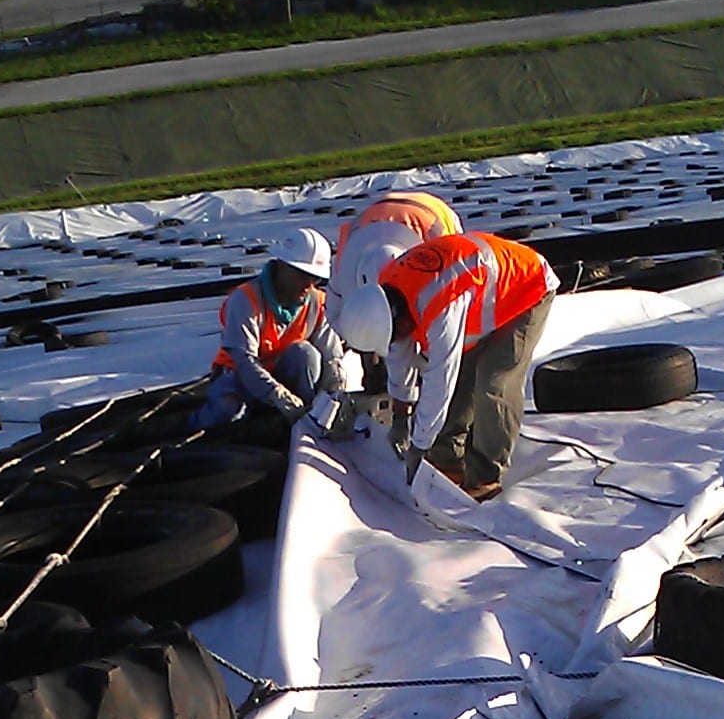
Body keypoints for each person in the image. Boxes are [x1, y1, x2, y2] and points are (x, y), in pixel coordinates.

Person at [340, 230, 557, 502]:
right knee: (464, 375)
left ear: (394, 318)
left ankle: (485, 477)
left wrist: (419, 446)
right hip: (483, 288)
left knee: (493, 382)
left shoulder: (439, 306)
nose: (401, 339)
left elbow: (440, 381)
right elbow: (399, 354)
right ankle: (447, 462)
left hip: (527, 286)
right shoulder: (390, 294)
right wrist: (401, 414)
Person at [205, 227, 345, 429]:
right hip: (238, 377)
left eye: (314, 278)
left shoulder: (318, 303)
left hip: (281, 374)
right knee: (227, 412)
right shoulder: (245, 300)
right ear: (282, 266)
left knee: (306, 354)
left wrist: (334, 391)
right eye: (301, 275)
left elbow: (332, 357)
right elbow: (245, 362)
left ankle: (302, 423)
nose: (308, 285)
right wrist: (277, 394)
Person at [324, 186, 464, 343]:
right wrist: (363, 338)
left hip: (433, 213)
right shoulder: (344, 262)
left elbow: (448, 313)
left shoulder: (436, 244)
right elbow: (335, 315)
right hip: (380, 212)